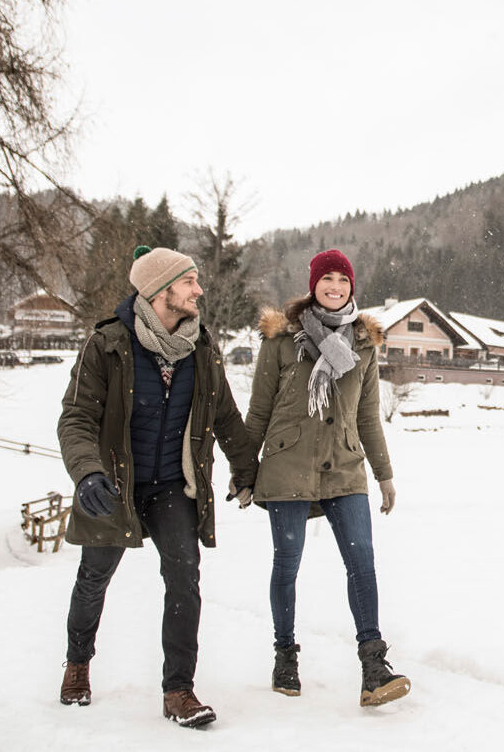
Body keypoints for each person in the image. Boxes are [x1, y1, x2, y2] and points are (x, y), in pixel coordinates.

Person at [56, 245, 257, 728]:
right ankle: (78, 663)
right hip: (114, 483)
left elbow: (225, 415)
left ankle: (178, 690)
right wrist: (87, 473)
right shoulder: (107, 344)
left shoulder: (201, 346)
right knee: (93, 578)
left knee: (185, 577)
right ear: (159, 290)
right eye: (188, 281)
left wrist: (246, 468)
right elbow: (76, 417)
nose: (198, 290)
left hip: (172, 485)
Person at [229, 248, 410, 707]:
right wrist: (243, 472)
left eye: (343, 280)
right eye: (327, 279)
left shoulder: (364, 344)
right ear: (313, 286)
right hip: (286, 466)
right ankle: (285, 655)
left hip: (345, 467)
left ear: (352, 287)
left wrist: (384, 475)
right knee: (287, 562)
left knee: (362, 561)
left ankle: (373, 666)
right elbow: (259, 412)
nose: (335, 287)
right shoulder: (281, 341)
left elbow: (367, 416)